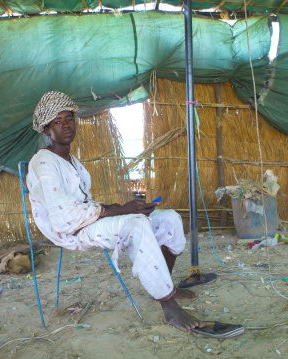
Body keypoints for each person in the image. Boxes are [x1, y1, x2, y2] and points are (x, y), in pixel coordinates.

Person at [26, 91, 205, 332]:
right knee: (136, 224)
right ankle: (169, 307)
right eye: (57, 122)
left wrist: (128, 209)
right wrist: (123, 211)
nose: (66, 125)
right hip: (72, 231)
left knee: (170, 219)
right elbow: (64, 218)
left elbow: (86, 204)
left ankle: (164, 287)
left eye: (69, 119)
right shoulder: (43, 162)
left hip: (88, 219)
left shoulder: (70, 159)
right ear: (47, 130)